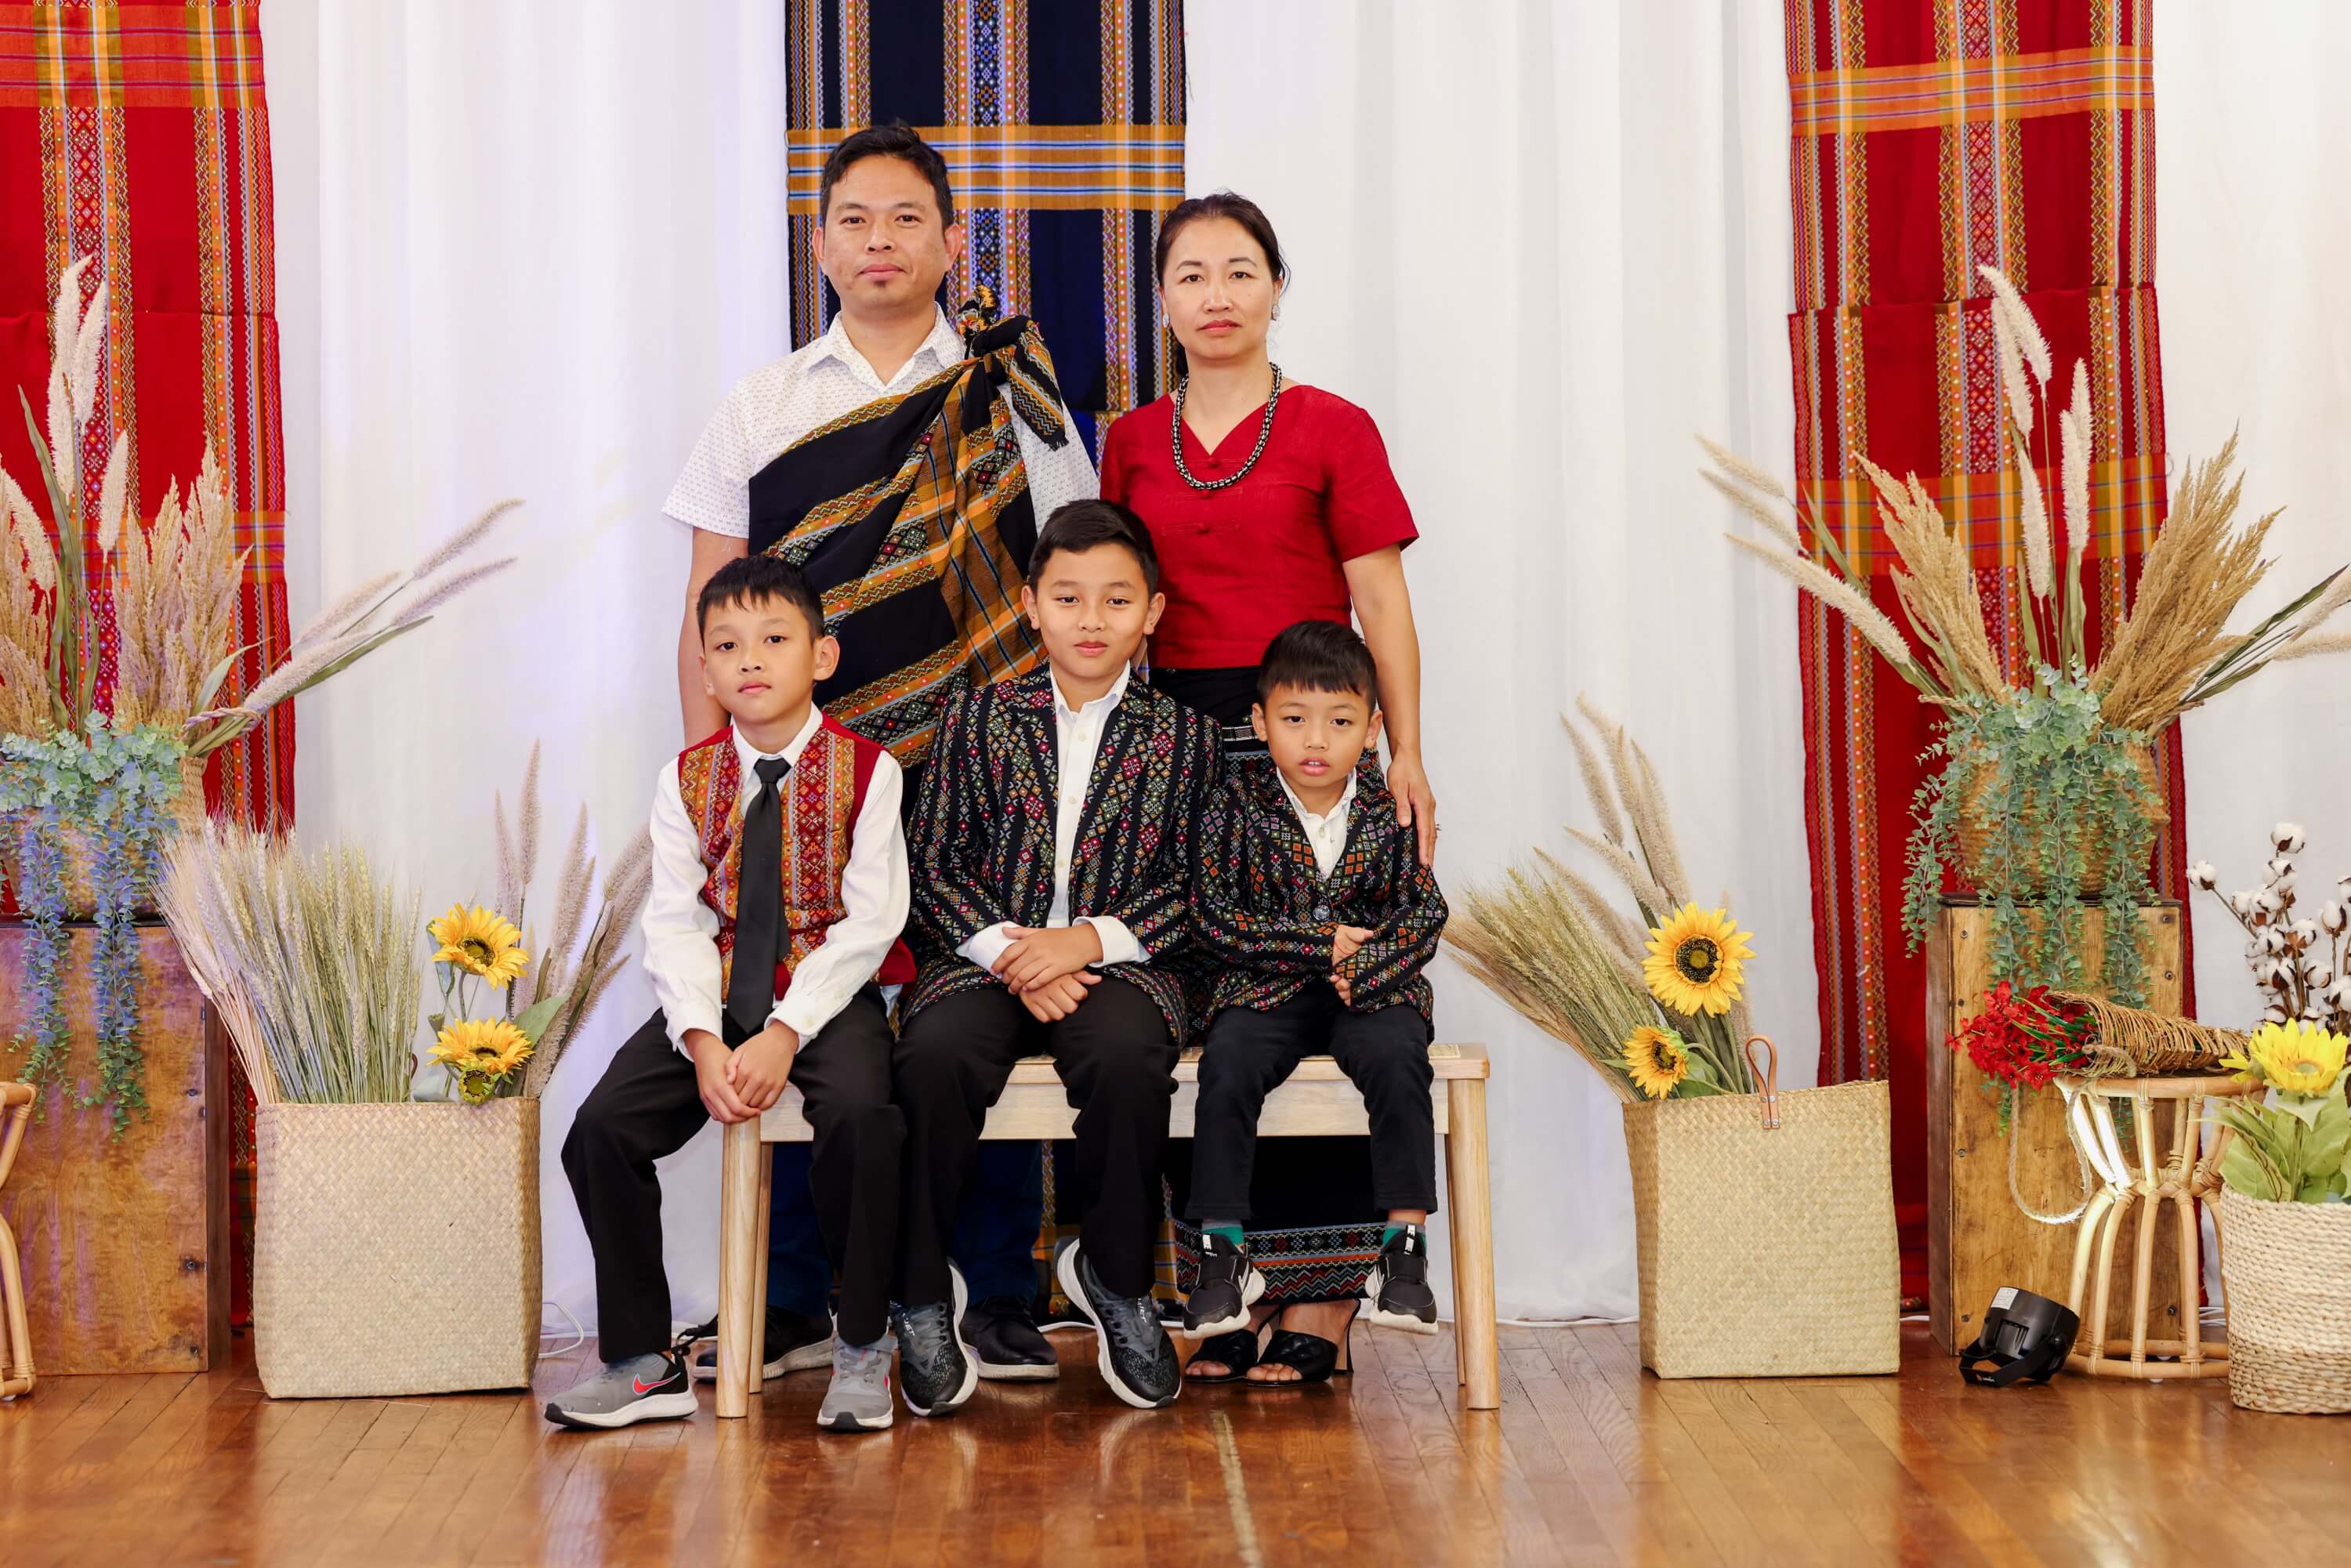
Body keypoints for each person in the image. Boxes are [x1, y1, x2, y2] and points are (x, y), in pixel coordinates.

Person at [662, 124, 1096, 1384]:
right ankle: (797, 1296)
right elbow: (707, 606)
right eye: (854, 219)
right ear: (822, 244)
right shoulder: (763, 405)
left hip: (983, 757)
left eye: (908, 218)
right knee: (804, 1006)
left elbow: (1074, 561)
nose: (880, 242)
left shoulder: (1012, 390)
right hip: (811, 766)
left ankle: (999, 1291)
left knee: (981, 1000)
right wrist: (713, 779)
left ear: (953, 241)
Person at [1097, 190, 1439, 1382]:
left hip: (1312, 733)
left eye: (1241, 271)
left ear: (1278, 288)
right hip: (1180, 751)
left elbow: (1382, 601)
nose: (1217, 296)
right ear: (1163, 300)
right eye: (1191, 275)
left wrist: (1404, 749)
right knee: (1206, 1012)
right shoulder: (1132, 440)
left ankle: (1323, 1303)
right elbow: (1122, 612)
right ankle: (1228, 1288)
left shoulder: (1335, 426)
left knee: (1335, 996)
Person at [550, 555, 915, 1432]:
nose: (750, 659)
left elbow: (871, 925)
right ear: (706, 671)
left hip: (827, 995)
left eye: (774, 639)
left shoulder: (870, 771)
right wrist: (701, 1039)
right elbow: (674, 921)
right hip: (714, 996)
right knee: (600, 1131)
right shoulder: (685, 779)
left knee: (863, 1118)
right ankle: (644, 1362)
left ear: (821, 656)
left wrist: (786, 1031)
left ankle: (862, 1341)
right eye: (726, 645)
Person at [890, 501, 1220, 1414]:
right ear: (1032, 606)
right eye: (1069, 598)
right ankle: (919, 1289)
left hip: (1125, 963)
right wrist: (1015, 955)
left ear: (1152, 612)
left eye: (1117, 599)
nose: (1091, 619)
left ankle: (1117, 1275)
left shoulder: (1185, 737)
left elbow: (1196, 886)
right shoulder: (978, 717)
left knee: (1125, 1057)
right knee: (932, 1056)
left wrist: (1085, 943)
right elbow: (932, 863)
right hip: (982, 956)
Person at [1182, 621, 1449, 1383]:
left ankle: (1403, 1248)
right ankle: (1224, 1250)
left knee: (1397, 1055)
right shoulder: (1232, 804)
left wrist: (1367, 971)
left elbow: (1424, 912)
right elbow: (1213, 918)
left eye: (1339, 722)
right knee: (1230, 1058)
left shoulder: (1391, 809)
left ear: (1372, 729)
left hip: (1372, 993)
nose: (1316, 740)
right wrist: (1319, 944)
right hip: (1265, 989)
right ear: (1260, 721)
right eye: (1295, 719)